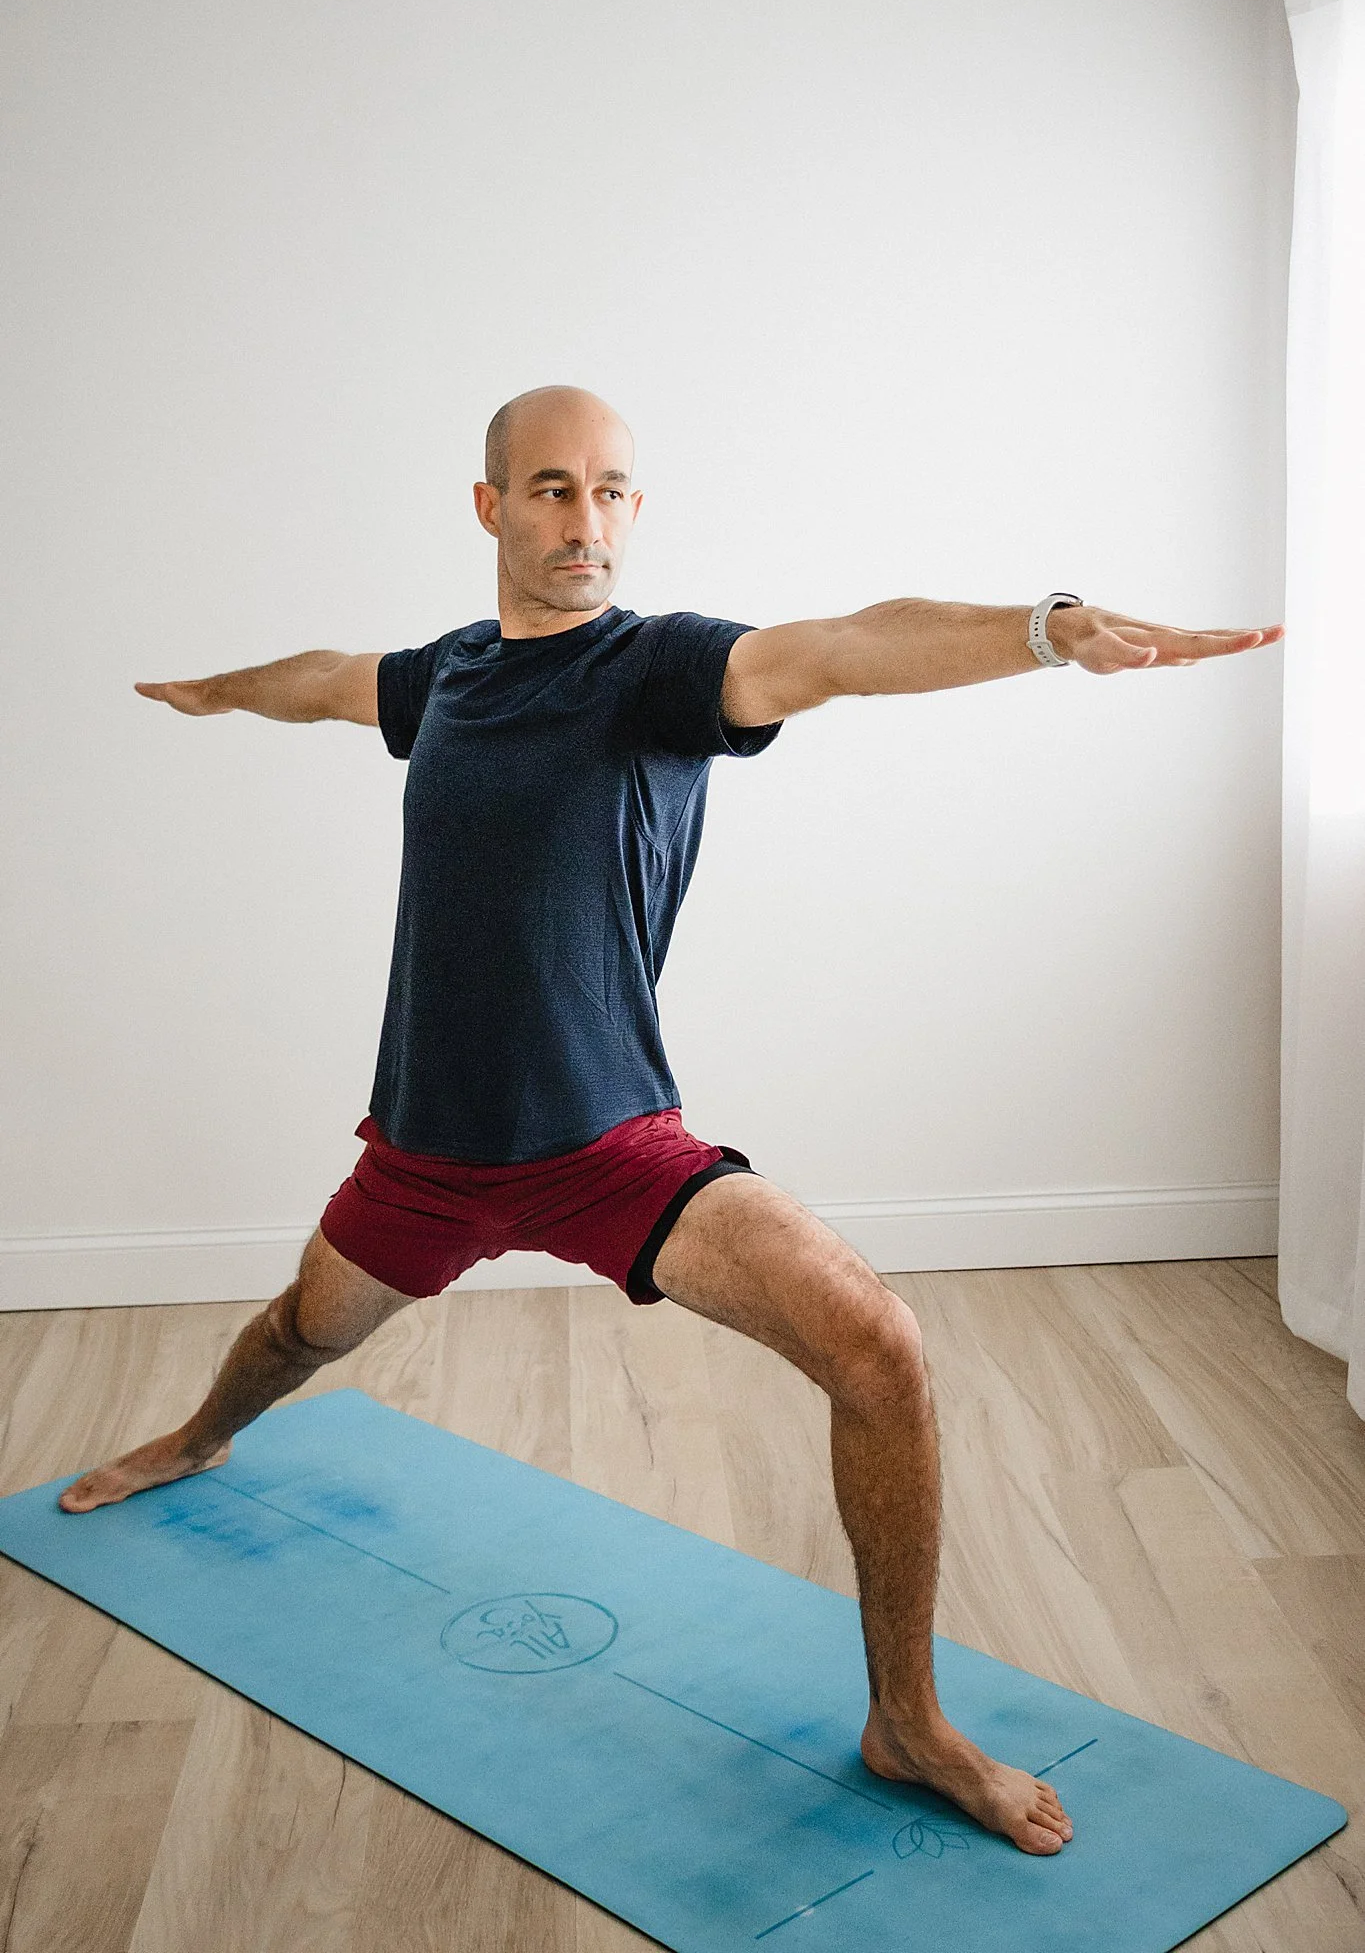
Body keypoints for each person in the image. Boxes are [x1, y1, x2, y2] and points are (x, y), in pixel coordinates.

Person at [58, 384, 1282, 1857]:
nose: (589, 522)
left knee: (880, 1348)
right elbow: (321, 678)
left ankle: (908, 1721)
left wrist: (1045, 625)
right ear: (492, 506)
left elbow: (839, 650)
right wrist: (217, 689)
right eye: (557, 489)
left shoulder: (656, 671)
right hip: (427, 1152)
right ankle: (195, 1440)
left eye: (616, 491)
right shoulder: (442, 676)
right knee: (290, 1339)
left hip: (609, 1150)